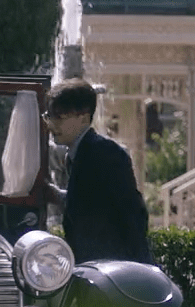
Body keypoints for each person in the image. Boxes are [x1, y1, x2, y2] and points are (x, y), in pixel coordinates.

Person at [43, 78, 153, 264]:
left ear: (84, 118)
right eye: (49, 116)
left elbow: (133, 213)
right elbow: (91, 202)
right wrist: (57, 196)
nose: (52, 125)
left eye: (59, 117)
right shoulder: (79, 153)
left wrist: (132, 265)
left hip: (113, 268)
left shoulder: (106, 153)